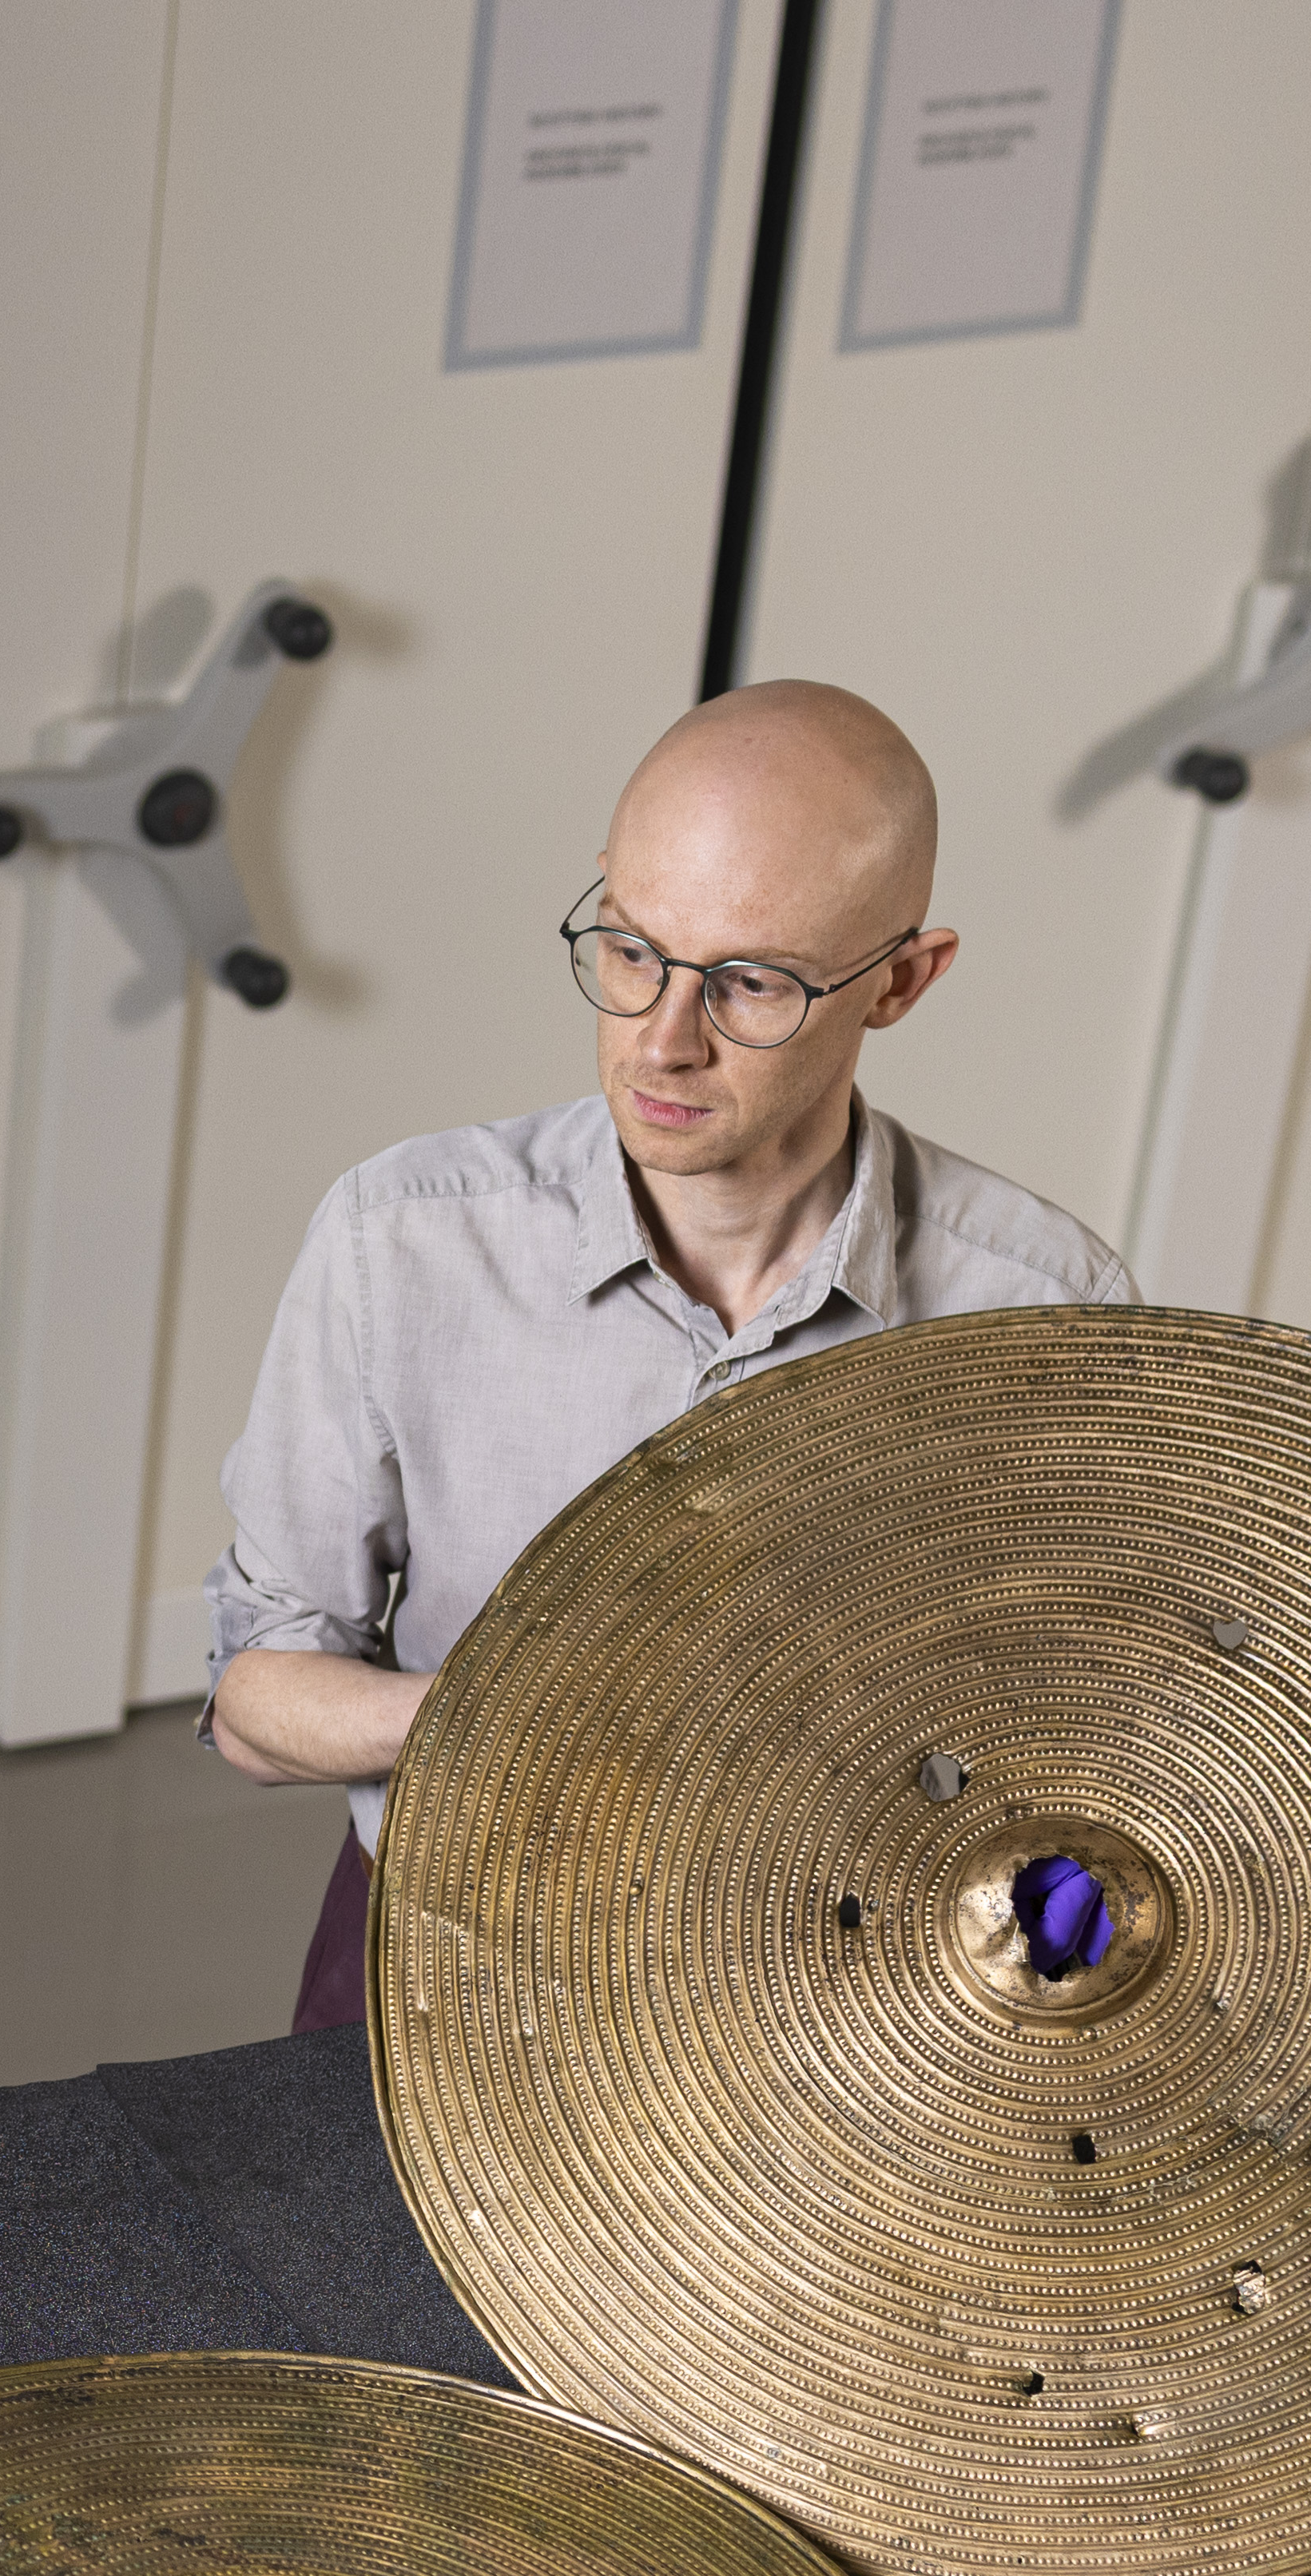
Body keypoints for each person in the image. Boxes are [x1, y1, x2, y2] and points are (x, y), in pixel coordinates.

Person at [204, 680, 1134, 2033]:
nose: (660, 1039)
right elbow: (253, 1703)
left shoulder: (1042, 1307)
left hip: (838, 1995)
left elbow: (1079, 1727)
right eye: (632, 950)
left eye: (750, 983)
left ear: (900, 980)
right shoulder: (398, 1241)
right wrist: (546, 1716)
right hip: (448, 1953)